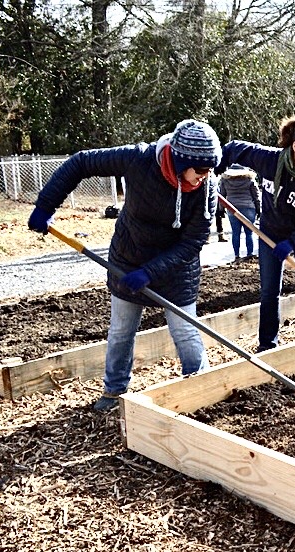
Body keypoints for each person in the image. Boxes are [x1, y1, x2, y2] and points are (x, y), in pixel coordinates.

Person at [28, 119, 222, 412]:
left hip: (176, 268)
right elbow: (81, 163)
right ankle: (114, 390)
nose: (205, 178)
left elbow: (193, 241)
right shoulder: (139, 159)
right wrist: (45, 205)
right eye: (202, 170)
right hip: (129, 258)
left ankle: (199, 388)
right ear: (181, 161)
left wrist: (151, 271)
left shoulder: (206, 187)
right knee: (121, 331)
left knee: (185, 331)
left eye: (210, 171)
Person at [217, 116, 295, 352]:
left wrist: (293, 242)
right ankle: (268, 345)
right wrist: (216, 166)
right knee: (269, 291)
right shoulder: (270, 160)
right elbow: (234, 148)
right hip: (270, 234)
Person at [219, 163, 261, 261]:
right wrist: (259, 209)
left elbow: (222, 196)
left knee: (235, 233)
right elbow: (256, 196)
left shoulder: (225, 180)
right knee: (249, 233)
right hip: (249, 208)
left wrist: (221, 210)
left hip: (232, 209)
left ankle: (237, 255)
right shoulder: (249, 180)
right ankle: (250, 254)